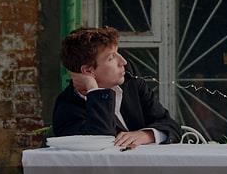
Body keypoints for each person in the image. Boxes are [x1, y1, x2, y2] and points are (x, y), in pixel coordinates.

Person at [52, 26, 183, 147]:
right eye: (111, 58)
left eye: (118, 53)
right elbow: (100, 140)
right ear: (88, 71)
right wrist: (94, 90)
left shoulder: (129, 77)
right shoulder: (67, 109)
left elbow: (171, 125)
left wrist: (146, 135)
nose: (123, 62)